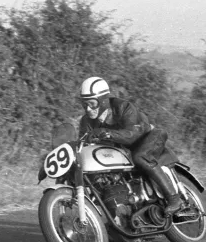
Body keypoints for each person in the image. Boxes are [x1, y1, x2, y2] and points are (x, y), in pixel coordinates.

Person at [78, 76, 182, 215]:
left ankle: (174, 198)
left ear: (103, 100)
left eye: (92, 103)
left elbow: (132, 134)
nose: (88, 109)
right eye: (84, 104)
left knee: (140, 157)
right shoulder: (86, 121)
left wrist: (107, 133)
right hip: (124, 151)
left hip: (149, 137)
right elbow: (82, 143)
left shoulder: (123, 107)